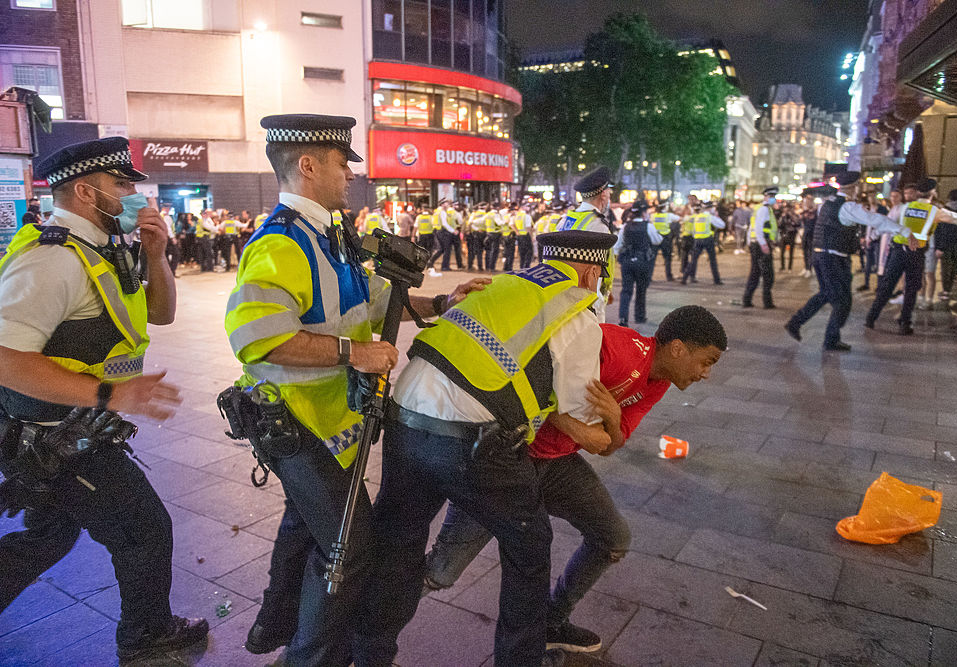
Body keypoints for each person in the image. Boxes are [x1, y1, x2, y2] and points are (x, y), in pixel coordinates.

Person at [225, 114, 486, 664]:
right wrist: (353, 353)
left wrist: (441, 304)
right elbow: (256, 339)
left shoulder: (331, 237)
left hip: (327, 423)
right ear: (309, 165)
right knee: (348, 545)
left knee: (306, 525)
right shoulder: (281, 243)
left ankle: (274, 628)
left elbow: (375, 303)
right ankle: (312, 655)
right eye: (343, 164)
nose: (351, 175)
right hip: (293, 423)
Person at [355, 231, 617, 667]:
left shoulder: (503, 284)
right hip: (473, 447)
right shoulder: (576, 310)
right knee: (529, 546)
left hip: (404, 420)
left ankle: (369, 654)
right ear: (592, 271)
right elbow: (577, 413)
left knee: (398, 543)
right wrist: (611, 423)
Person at [0, 136, 208, 661]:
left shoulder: (104, 250)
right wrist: (111, 393)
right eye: (122, 185)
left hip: (75, 430)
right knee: (144, 531)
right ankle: (148, 639)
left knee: (49, 536)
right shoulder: (53, 260)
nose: (133, 196)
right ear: (87, 192)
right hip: (53, 437)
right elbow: (5, 358)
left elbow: (160, 315)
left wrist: (157, 256)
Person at [422, 306, 727, 654]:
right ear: (678, 348)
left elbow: (610, 446)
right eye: (707, 361)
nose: (706, 373)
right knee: (442, 572)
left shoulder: (657, 383)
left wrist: (611, 419)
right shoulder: (615, 348)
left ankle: (551, 622)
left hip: (557, 462)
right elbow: (531, 379)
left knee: (613, 538)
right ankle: (366, 624)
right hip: (507, 460)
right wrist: (585, 431)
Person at [785, 176, 913, 351]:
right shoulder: (848, 206)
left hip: (822, 255)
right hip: (834, 258)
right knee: (841, 300)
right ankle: (822, 336)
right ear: (853, 188)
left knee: (829, 295)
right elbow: (876, 220)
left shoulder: (828, 203)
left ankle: (802, 326)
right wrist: (904, 230)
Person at [865, 178, 957, 335]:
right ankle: (905, 323)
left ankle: (871, 318)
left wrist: (872, 237)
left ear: (918, 192)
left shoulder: (904, 208)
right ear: (932, 192)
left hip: (898, 251)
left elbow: (887, 224)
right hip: (916, 254)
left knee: (887, 285)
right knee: (912, 289)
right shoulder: (934, 211)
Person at [557, 166, 618, 322]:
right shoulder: (597, 225)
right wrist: (597, 314)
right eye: (609, 193)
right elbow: (594, 272)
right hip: (586, 303)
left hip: (563, 296)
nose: (610, 196)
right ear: (603, 194)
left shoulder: (566, 220)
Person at [615, 200, 660, 326]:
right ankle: (640, 316)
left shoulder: (625, 226)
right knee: (641, 289)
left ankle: (623, 319)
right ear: (644, 212)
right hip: (642, 262)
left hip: (627, 262)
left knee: (626, 291)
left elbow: (617, 245)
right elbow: (657, 241)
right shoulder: (648, 226)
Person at [742, 186, 780, 309]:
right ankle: (767, 302)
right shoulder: (764, 209)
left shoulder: (759, 208)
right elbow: (758, 228)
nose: (773, 199)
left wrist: (749, 242)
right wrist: (764, 244)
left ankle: (747, 299)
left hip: (755, 243)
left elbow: (751, 228)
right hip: (761, 244)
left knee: (755, 273)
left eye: (774, 197)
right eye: (771, 197)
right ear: (766, 197)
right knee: (768, 275)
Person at [679, 201, 726, 285]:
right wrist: (715, 217)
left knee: (693, 260)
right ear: (709, 208)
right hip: (708, 240)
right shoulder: (709, 217)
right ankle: (717, 280)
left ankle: (684, 278)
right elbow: (722, 225)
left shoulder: (696, 217)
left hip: (697, 240)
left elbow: (693, 229)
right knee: (712, 261)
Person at [936, 189, 957, 299]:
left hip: (946, 243)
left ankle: (945, 291)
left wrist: (939, 246)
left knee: (945, 268)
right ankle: (949, 288)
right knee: (955, 266)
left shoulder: (945, 210)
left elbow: (941, 229)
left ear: (949, 197)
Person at [650, 202, 681, 280]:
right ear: (664, 207)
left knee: (652, 259)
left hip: (655, 238)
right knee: (667, 258)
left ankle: (649, 276)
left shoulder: (653, 216)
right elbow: (678, 218)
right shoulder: (668, 215)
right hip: (665, 239)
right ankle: (669, 276)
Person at [798, 193, 817, 276]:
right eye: (806, 200)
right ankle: (806, 267)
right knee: (805, 251)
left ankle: (810, 268)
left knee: (810, 252)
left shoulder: (815, 211)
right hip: (805, 233)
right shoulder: (804, 211)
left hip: (812, 234)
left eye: (809, 200)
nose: (807, 202)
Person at [777, 204, 800, 272]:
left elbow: (797, 224)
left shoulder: (794, 216)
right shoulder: (783, 216)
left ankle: (789, 268)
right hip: (784, 235)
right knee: (782, 253)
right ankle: (783, 267)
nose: (787, 211)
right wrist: (782, 218)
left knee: (791, 253)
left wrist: (792, 217)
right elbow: (779, 225)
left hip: (791, 235)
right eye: (785, 209)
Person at [513, 202, 534, 268]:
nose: (528, 208)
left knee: (521, 253)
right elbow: (528, 227)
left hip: (519, 236)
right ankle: (527, 267)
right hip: (526, 236)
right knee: (529, 252)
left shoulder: (517, 216)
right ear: (522, 207)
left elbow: (512, 224)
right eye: (527, 206)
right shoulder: (527, 216)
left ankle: (521, 267)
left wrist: (517, 231)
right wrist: (531, 237)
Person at [484, 202, 503, 271]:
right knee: (494, 251)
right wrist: (506, 221)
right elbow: (499, 222)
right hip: (495, 234)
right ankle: (492, 267)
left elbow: (481, 222)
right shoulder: (496, 214)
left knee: (488, 251)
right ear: (497, 207)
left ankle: (487, 266)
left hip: (488, 233)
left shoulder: (488, 214)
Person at [502, 201, 518, 272]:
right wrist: (517, 232)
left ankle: (505, 266)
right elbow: (511, 225)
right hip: (510, 236)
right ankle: (509, 267)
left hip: (504, 236)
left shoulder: (505, 216)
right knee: (511, 253)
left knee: (506, 252)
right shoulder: (511, 217)